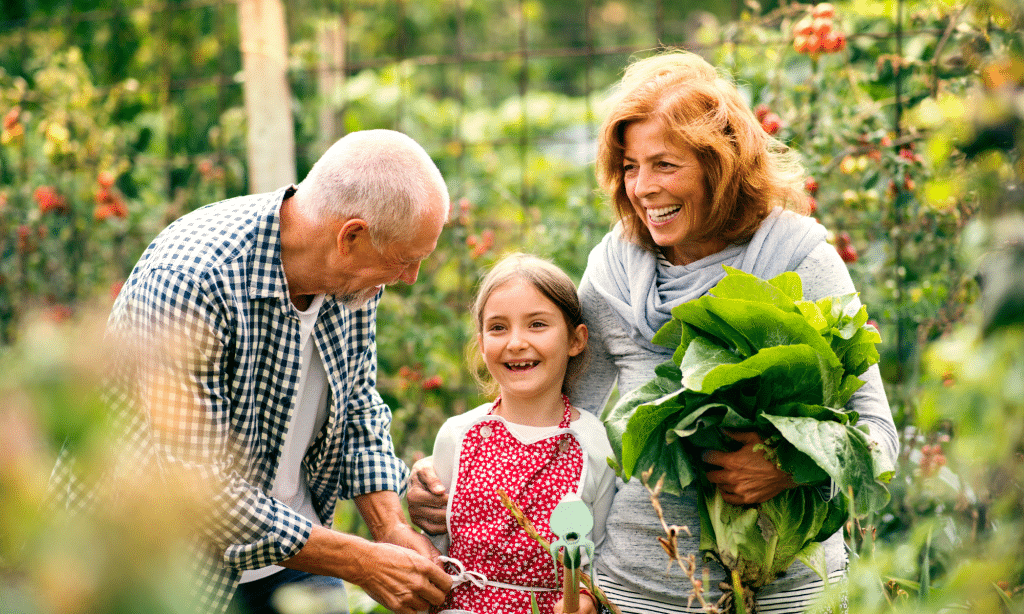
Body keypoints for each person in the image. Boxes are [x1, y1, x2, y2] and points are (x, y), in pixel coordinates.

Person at [407, 51, 900, 613]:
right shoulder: (616, 267)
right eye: (630, 167)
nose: (643, 188)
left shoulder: (797, 259)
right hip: (639, 586)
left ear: (720, 164)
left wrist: (789, 466)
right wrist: (452, 473)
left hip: (787, 584)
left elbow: (878, 435)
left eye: (664, 165)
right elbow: (552, 418)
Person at [48, 129, 454, 614]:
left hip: (292, 553)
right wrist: (364, 562)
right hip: (158, 564)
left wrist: (390, 528)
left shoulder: (354, 280)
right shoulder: (193, 281)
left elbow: (359, 407)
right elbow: (203, 492)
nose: (408, 277)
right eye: (405, 261)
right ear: (351, 236)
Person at [426, 253, 616, 614]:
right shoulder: (458, 435)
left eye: (537, 325)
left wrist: (586, 599)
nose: (515, 342)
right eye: (498, 327)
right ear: (481, 343)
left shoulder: (592, 442)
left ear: (576, 340)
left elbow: (601, 554)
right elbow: (435, 546)